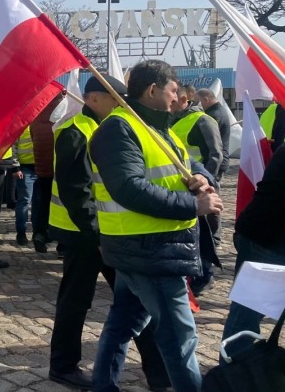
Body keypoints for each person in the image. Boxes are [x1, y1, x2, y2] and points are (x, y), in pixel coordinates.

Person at [91, 60, 224, 392]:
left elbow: (186, 161)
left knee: (123, 324)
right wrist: (193, 205)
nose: (178, 98)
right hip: (147, 248)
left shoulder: (157, 127)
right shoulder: (118, 129)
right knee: (180, 337)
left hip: (149, 246)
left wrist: (201, 179)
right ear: (153, 90)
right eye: (173, 90)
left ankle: (102, 385)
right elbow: (130, 187)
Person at [48, 76, 170, 390]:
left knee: (136, 302)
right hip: (84, 235)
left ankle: (159, 374)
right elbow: (77, 193)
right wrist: (96, 237)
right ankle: (63, 367)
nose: (120, 104)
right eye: (114, 99)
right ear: (93, 99)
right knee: (76, 301)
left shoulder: (109, 129)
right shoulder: (74, 131)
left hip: (112, 233)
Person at [220, 145, 285, 360]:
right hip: (266, 242)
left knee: (245, 317)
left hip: (267, 236)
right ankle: (232, 377)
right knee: (246, 318)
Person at [172, 85, 224, 289]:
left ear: (184, 99)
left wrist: (205, 181)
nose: (171, 103)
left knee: (206, 235)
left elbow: (215, 155)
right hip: (185, 188)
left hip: (202, 187)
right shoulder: (173, 120)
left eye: (176, 99)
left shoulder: (203, 120)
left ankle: (205, 276)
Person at [30, 93, 64, 253]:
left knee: (42, 205)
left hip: (42, 170)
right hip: (59, 172)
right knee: (61, 207)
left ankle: (39, 235)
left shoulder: (36, 120)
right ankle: (62, 243)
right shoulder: (62, 119)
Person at [195, 88, 231, 181]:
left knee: (212, 192)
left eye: (197, 102)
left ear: (206, 100)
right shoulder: (218, 111)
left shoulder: (214, 115)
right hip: (218, 160)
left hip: (215, 163)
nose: (195, 105)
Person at [12, 125, 37, 245]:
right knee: (25, 200)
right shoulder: (22, 124)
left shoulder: (43, 122)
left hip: (42, 167)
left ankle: (38, 234)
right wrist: (16, 167)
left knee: (39, 202)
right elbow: (13, 146)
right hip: (25, 168)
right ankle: (21, 233)